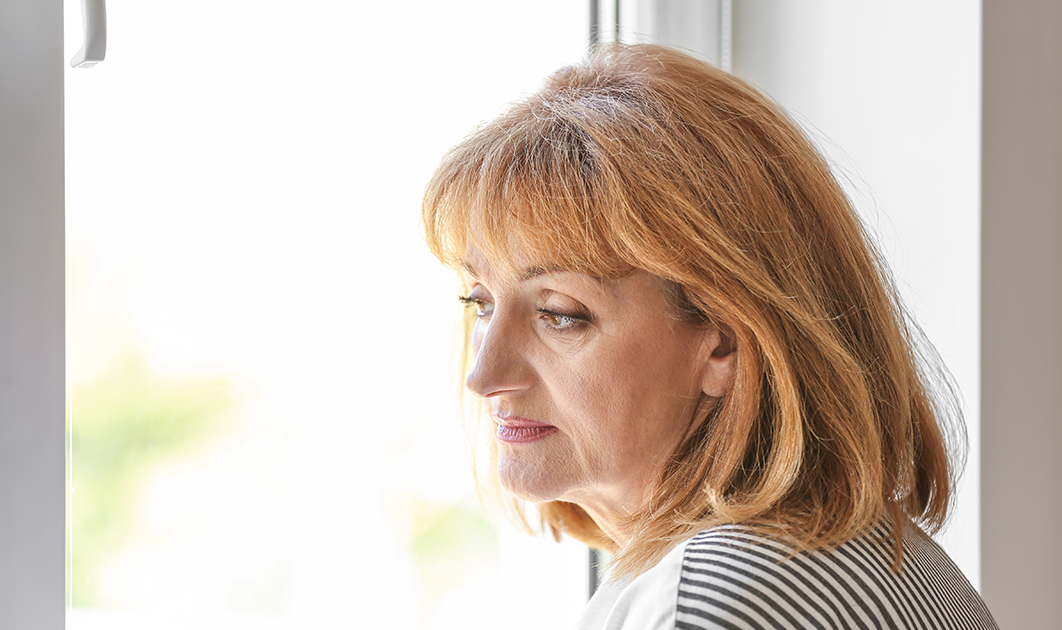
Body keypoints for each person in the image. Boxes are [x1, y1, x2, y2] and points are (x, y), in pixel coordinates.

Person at [420, 44, 999, 629]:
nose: (484, 377)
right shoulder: (885, 554)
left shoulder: (707, 604)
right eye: (481, 303)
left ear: (722, 343)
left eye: (560, 314)